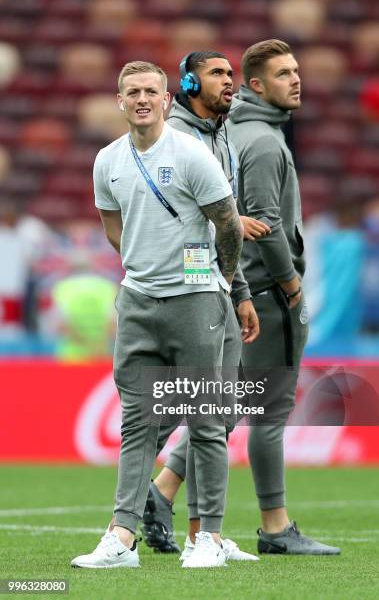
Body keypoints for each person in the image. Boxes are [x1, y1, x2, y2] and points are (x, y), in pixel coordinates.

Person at [71, 60, 244, 569]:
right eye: (132, 92)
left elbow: (228, 225)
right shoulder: (107, 161)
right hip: (139, 301)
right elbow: (112, 226)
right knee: (136, 423)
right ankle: (121, 539)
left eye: (151, 90)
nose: (142, 98)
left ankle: (207, 537)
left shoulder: (191, 155)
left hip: (195, 300)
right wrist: (144, 267)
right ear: (120, 102)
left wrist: (222, 282)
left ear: (167, 101)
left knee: (206, 420)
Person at [141, 51, 265, 560]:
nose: (229, 83)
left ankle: (184, 517)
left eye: (232, 75)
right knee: (201, 406)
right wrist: (231, 223)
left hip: (217, 278)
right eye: (218, 74)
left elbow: (223, 222)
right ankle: (141, 514)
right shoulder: (177, 139)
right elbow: (194, 219)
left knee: (220, 406)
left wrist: (238, 292)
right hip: (185, 282)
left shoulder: (222, 138)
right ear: (189, 82)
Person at [226, 39, 341, 555]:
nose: (296, 79)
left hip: (242, 287)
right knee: (269, 413)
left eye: (297, 70)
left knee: (232, 402)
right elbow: (266, 224)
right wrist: (291, 283)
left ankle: (160, 492)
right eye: (282, 73)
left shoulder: (234, 130)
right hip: (269, 292)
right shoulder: (267, 142)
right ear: (256, 85)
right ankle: (275, 528)